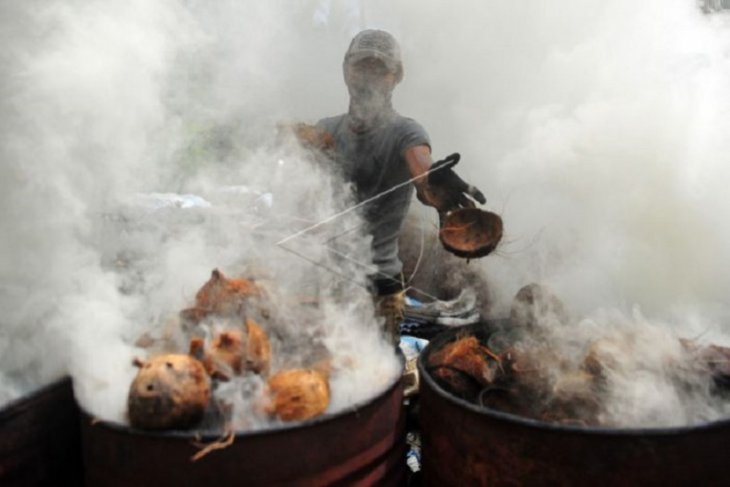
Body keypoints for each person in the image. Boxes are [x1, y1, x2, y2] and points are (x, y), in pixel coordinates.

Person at [315, 29, 486, 344]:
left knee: (380, 374)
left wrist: (433, 181)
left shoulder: (404, 131)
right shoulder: (326, 130)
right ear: (345, 69)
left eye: (381, 68)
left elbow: (422, 169)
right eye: (361, 65)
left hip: (379, 289)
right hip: (327, 280)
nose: (369, 76)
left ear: (396, 77)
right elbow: (297, 179)